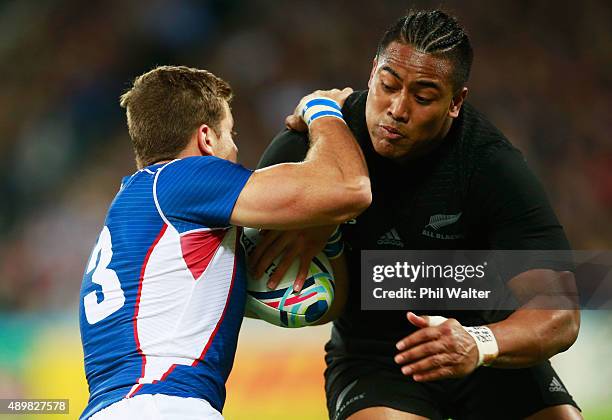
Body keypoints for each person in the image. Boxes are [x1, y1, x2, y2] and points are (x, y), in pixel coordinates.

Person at [253, 10, 582, 420]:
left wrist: (479, 343)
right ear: (372, 73)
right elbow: (241, 251)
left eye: (423, 97)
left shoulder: (489, 165)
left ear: (455, 102)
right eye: (388, 86)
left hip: (481, 347)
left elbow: (559, 313)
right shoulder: (308, 147)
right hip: (377, 360)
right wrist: (317, 218)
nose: (397, 109)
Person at [78, 65, 371, 419]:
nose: (235, 149)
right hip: (163, 406)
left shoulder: (150, 220)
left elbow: (326, 305)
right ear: (207, 139)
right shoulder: (182, 179)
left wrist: (328, 230)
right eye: (230, 133)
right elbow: (352, 189)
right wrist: (321, 110)